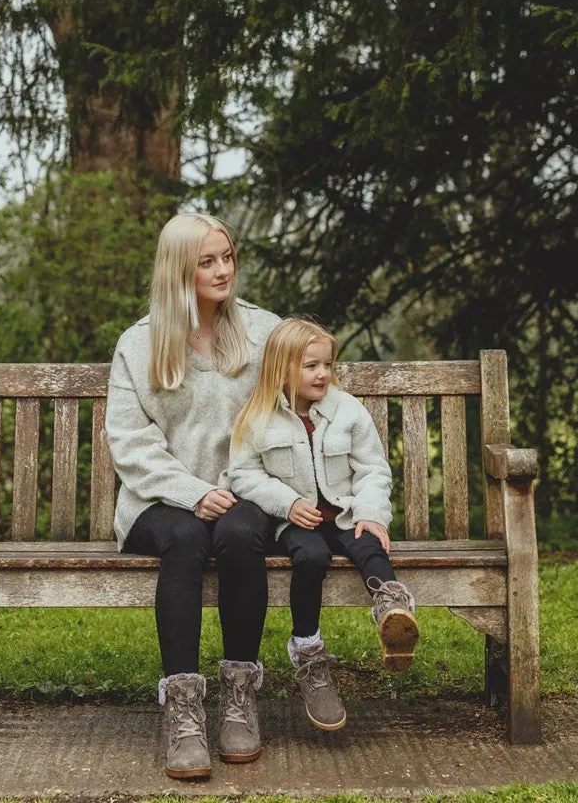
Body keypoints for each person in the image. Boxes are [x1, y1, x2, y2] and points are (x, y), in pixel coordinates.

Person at [105, 213, 281, 780]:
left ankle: (238, 697)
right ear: (179, 268)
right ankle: (182, 711)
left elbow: (291, 414)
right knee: (184, 537)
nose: (223, 270)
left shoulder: (262, 334)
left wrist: (240, 489)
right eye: (207, 261)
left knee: (238, 532)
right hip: (159, 503)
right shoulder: (139, 344)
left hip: (245, 494)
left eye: (227, 256)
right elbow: (130, 445)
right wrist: (193, 492)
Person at [222, 317, 419, 732]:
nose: (323, 374)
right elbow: (243, 475)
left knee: (368, 543)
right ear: (282, 369)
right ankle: (310, 655)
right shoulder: (258, 417)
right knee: (310, 557)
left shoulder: (348, 411)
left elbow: (372, 470)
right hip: (296, 520)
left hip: (345, 511)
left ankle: (392, 609)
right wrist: (288, 503)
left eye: (327, 364)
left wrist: (370, 513)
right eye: (311, 366)